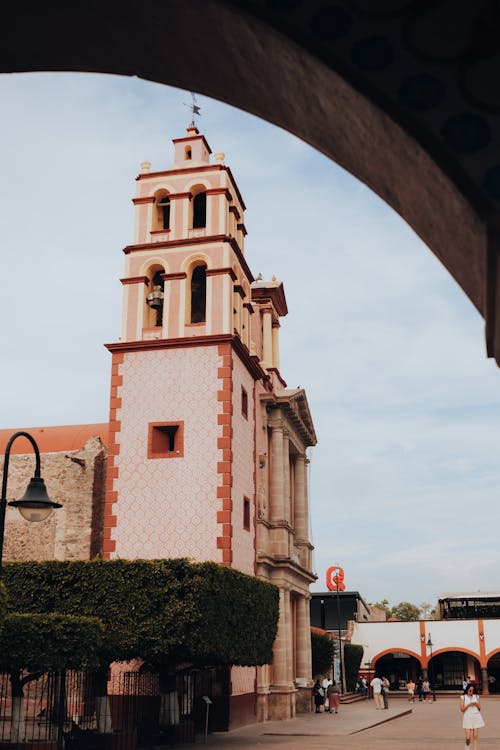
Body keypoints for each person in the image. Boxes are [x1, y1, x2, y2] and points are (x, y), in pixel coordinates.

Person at [460, 683, 484, 750]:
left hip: (476, 716)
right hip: (467, 717)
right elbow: (462, 709)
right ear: (467, 690)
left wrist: (476, 705)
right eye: (470, 690)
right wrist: (468, 705)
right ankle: (467, 748)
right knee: (468, 737)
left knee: (475, 736)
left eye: (472, 690)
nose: (471, 692)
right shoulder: (463, 697)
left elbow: (479, 709)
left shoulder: (476, 696)